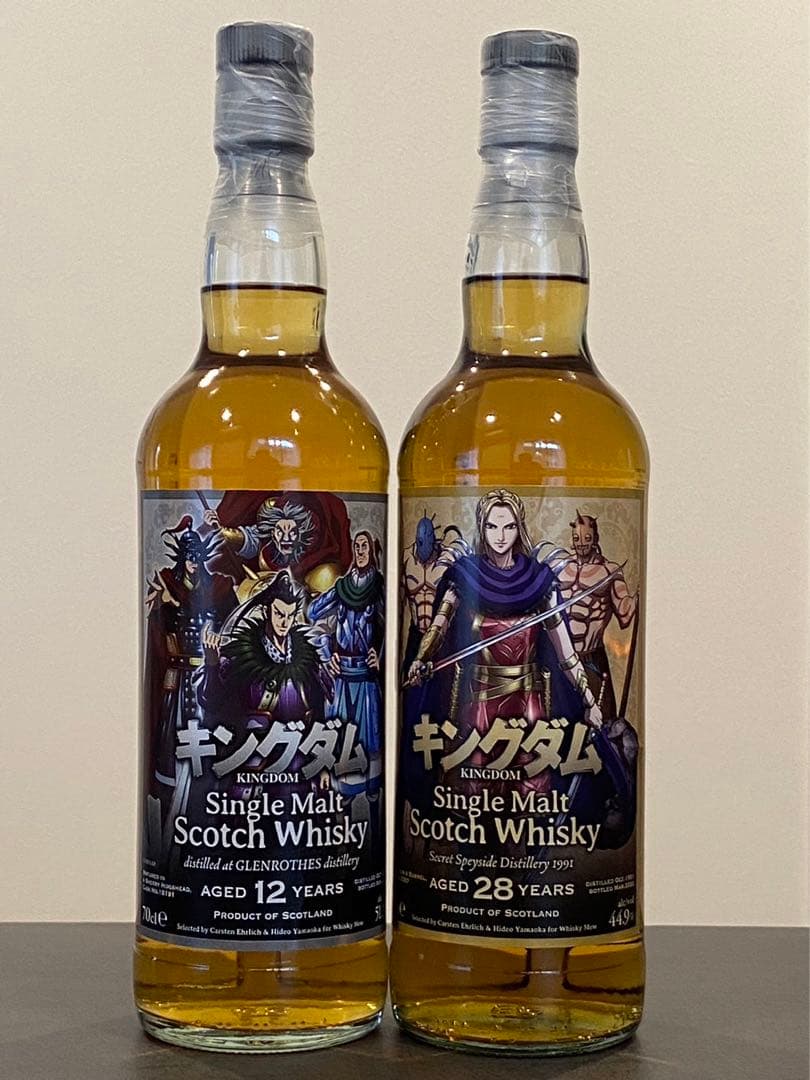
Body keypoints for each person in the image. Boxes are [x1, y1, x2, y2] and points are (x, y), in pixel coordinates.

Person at [408, 489, 602, 794]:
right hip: (480, 704)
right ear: (482, 527)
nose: (500, 536)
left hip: (528, 704)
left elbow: (565, 652)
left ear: (519, 528)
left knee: (531, 794)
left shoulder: (538, 580)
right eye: (492, 526)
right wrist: (421, 658)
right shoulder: (465, 576)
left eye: (509, 526)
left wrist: (589, 701)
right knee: (474, 794)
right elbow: (438, 628)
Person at [143, 516, 236, 863]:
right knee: (171, 751)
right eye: (189, 557)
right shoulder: (168, 585)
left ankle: (212, 830)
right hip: (179, 681)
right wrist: (165, 604)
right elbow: (159, 629)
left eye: (198, 557)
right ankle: (174, 844)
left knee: (215, 758)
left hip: (210, 681)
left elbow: (234, 621)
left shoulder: (218, 587)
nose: (194, 563)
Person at [308, 531, 385, 818]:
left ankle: (373, 819)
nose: (361, 551)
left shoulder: (379, 586)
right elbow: (313, 612)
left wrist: (382, 655)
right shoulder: (342, 587)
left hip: (366, 678)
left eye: (365, 546)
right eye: (357, 546)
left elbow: (395, 623)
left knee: (371, 743)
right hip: (342, 677)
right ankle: (344, 818)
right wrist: (328, 651)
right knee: (342, 741)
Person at [553, 511, 638, 721]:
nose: (582, 543)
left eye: (587, 538)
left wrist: (637, 597)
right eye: (577, 538)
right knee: (558, 725)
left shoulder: (609, 571)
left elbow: (625, 613)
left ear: (595, 538)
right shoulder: (558, 568)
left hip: (591, 658)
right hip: (560, 659)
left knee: (601, 725)